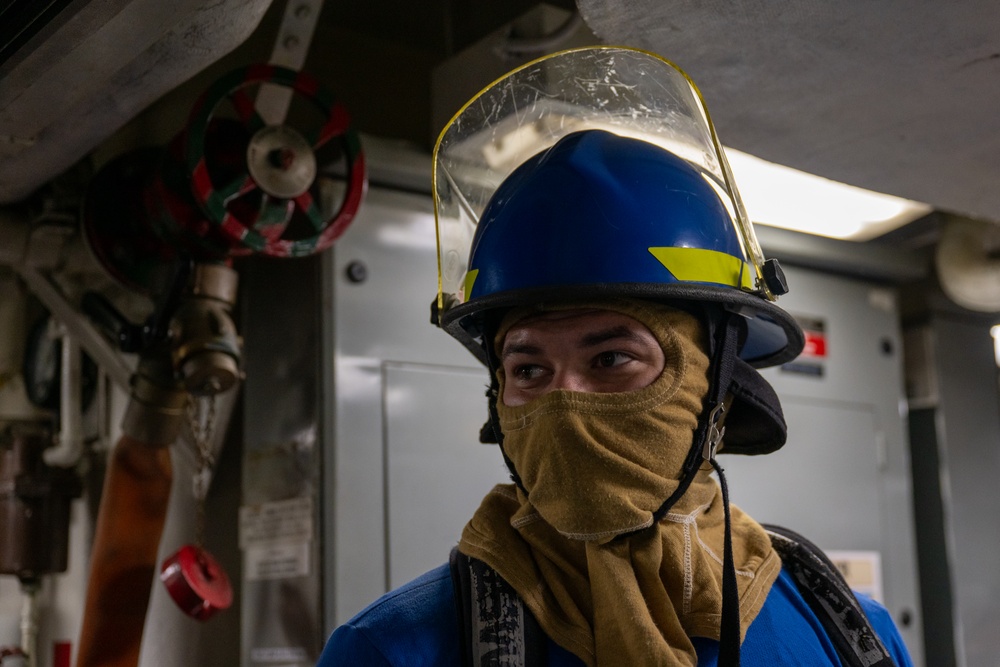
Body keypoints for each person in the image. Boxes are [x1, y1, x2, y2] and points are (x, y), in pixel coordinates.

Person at [317, 47, 914, 666]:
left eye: (611, 359)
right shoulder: (391, 650)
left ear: (715, 387)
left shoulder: (845, 628)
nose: (565, 404)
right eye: (528, 370)